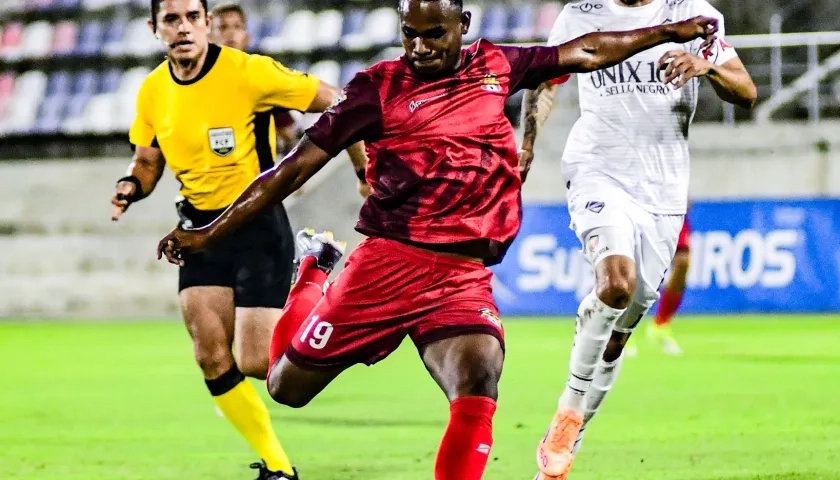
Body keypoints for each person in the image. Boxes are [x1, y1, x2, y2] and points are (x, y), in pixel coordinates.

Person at [155, 0, 718, 477]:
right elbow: (288, 173)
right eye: (410, 35)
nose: (421, 47)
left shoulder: (496, 66)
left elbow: (589, 49)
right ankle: (314, 273)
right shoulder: (376, 90)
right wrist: (207, 233)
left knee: (479, 373)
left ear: (463, 24)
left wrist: (666, 31)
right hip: (385, 267)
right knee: (284, 387)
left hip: (461, 275)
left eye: (434, 34)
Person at [110, 1, 364, 478]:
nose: (183, 28)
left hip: (255, 223)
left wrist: (363, 167)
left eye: (191, 17)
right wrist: (129, 187)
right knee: (209, 354)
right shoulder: (152, 92)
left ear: (206, 23)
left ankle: (314, 272)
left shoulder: (248, 73)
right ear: (154, 29)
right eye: (171, 19)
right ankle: (278, 467)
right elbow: (147, 163)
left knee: (254, 360)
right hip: (197, 232)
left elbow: (341, 102)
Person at [519, 0, 757, 477]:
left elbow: (746, 92)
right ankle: (568, 410)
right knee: (615, 283)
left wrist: (705, 66)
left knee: (619, 330)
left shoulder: (695, 14)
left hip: (663, 189)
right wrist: (525, 146)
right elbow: (544, 81)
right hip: (597, 169)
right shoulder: (580, 14)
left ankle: (571, 436)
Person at [209, 2, 301, 156]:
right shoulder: (194, 83)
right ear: (208, 37)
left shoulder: (262, 81)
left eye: (237, 27)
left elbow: (290, 138)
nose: (231, 33)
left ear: (247, 37)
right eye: (223, 27)